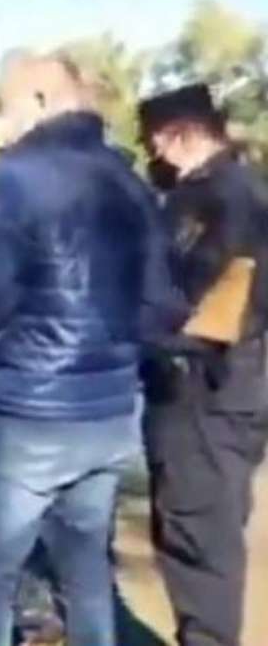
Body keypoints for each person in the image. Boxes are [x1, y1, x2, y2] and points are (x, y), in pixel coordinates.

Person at [0, 52, 183, 646]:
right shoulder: (128, 182)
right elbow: (158, 305)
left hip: (28, 411)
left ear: (42, 101)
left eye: (2, 105)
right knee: (87, 575)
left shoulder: (14, 177)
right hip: (106, 415)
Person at [137, 83, 268, 646]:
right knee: (204, 530)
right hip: (225, 388)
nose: (154, 158)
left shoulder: (222, 198)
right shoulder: (233, 190)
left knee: (200, 536)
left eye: (156, 144)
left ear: (181, 135)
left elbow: (219, 307)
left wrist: (148, 339)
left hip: (204, 390)